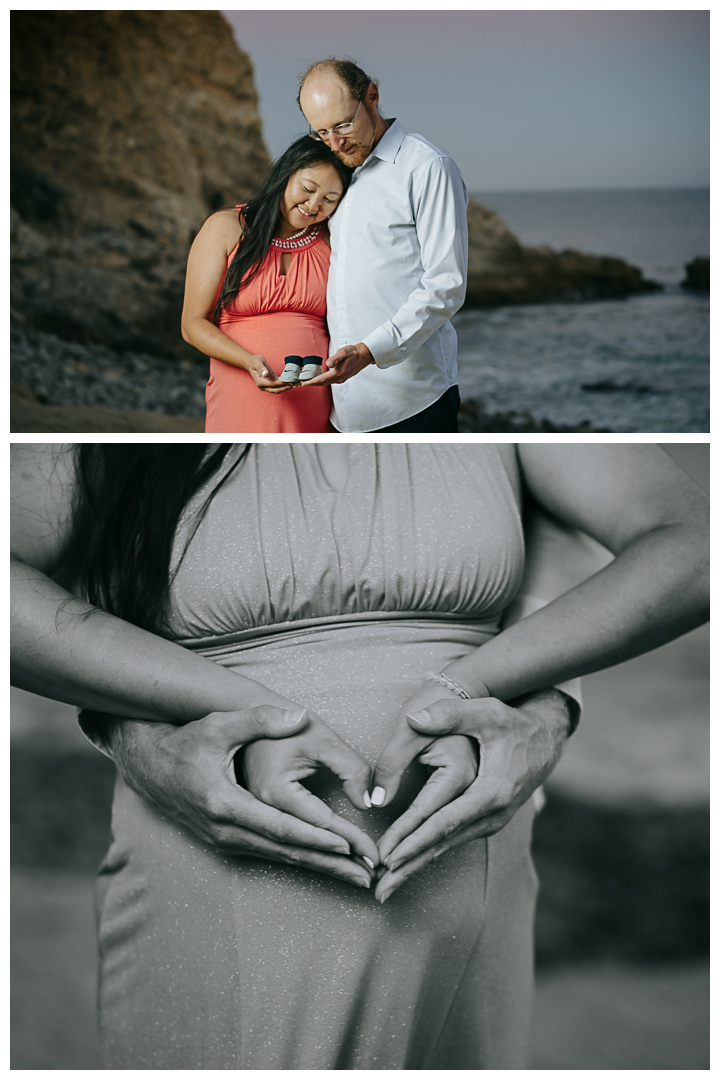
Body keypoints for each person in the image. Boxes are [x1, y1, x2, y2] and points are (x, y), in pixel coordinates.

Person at [11, 444, 708, 1069]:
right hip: (220, 885)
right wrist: (180, 716)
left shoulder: (483, 404)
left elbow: (693, 540)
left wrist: (523, 697)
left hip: (471, 893)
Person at [297, 59, 469, 433]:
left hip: (412, 402)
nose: (335, 142)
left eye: (343, 124)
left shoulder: (427, 166)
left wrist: (368, 351)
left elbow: (446, 286)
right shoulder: (336, 169)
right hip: (342, 409)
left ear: (372, 96)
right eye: (321, 131)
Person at [182, 137, 351, 433]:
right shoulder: (225, 227)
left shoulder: (333, 239)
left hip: (312, 397)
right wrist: (249, 362)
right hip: (239, 388)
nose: (314, 205)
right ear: (285, 175)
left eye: (329, 199)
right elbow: (192, 323)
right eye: (308, 189)